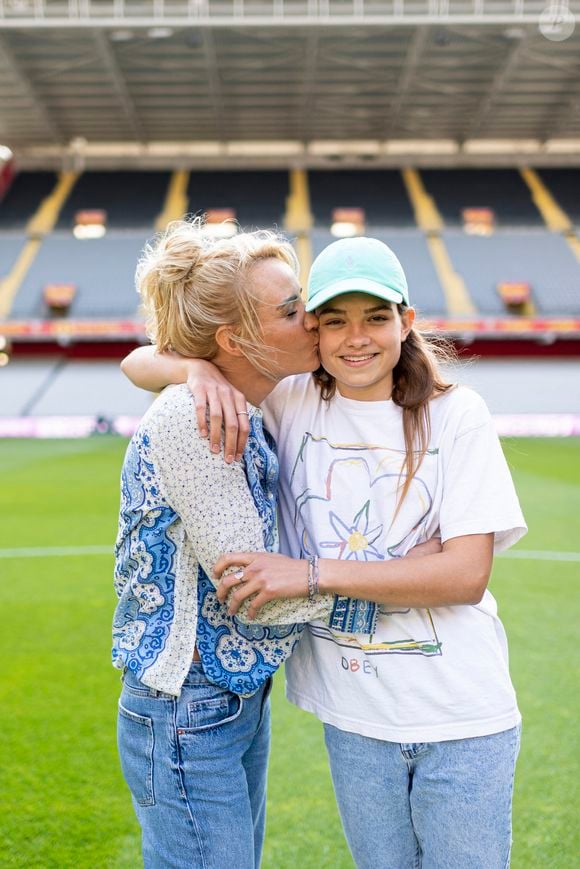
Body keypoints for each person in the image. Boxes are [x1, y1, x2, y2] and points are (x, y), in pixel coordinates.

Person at [122, 236, 526, 869]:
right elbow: (140, 362)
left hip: (454, 707)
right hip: (333, 710)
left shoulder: (453, 415)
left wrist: (312, 574)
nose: (342, 335)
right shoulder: (289, 399)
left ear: (407, 322)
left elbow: (466, 576)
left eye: (375, 317)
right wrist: (191, 369)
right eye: (322, 317)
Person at [113, 218, 342, 869]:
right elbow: (256, 596)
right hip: (189, 707)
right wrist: (402, 591)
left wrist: (187, 365)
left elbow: (138, 360)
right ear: (236, 338)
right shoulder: (195, 416)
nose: (315, 320)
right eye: (294, 310)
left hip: (227, 698)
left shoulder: (248, 395)